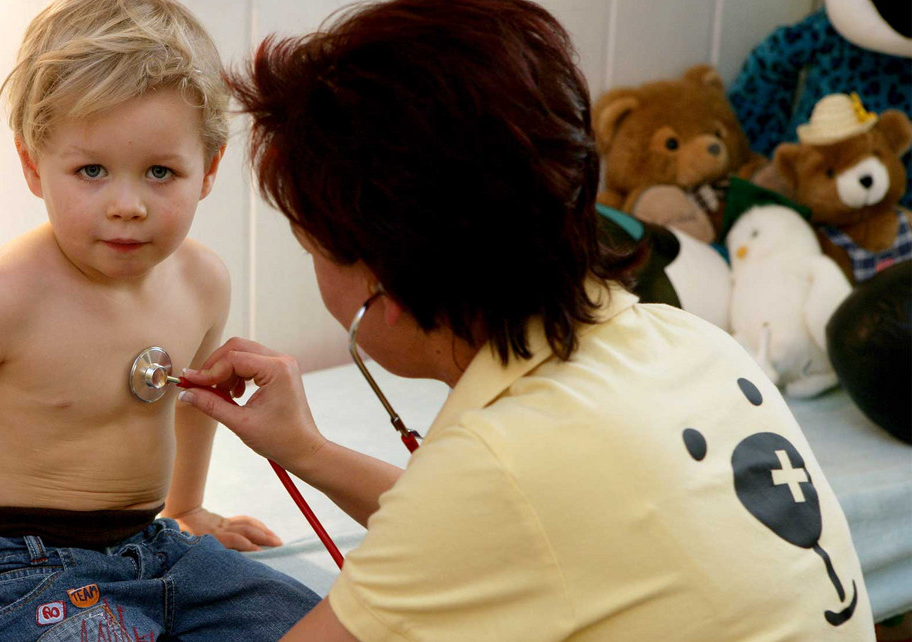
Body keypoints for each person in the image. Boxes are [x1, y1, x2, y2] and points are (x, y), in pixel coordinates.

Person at [179, 0, 877, 639]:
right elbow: (493, 528)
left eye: (313, 249)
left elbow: (482, 509)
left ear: (383, 285)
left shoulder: (496, 468)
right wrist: (308, 451)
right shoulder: (687, 340)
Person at [0, 1, 319, 640]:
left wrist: (188, 507)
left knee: (321, 623)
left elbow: (191, 397)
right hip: (17, 567)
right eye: (91, 170)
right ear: (34, 166)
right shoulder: (2, 298)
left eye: (160, 172)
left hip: (153, 545)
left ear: (209, 169)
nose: (127, 206)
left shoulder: (203, 281)